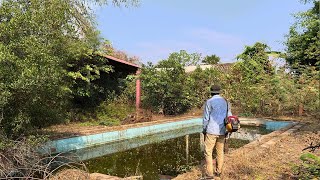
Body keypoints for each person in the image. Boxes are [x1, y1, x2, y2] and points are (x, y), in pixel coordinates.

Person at [202, 85, 232, 179]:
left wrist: (204, 129)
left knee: (208, 152)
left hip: (211, 130)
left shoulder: (209, 102)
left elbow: (206, 118)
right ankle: (218, 172)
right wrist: (227, 130)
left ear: (211, 92)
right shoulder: (226, 102)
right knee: (220, 152)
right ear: (219, 92)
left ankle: (209, 174)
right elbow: (229, 116)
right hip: (222, 130)